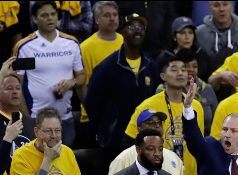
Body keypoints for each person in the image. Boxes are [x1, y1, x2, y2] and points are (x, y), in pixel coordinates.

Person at [84, 13, 161, 154]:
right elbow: (91, 103)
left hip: (145, 138)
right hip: (115, 141)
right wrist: (107, 128)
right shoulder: (107, 67)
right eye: (132, 26)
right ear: (122, 32)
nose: (137, 30)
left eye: (141, 27)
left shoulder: (151, 66)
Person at [125, 55, 205, 175]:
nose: (180, 73)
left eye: (183, 69)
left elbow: (199, 146)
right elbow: (129, 142)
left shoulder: (196, 106)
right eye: (174, 69)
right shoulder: (148, 105)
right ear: (163, 76)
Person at [13, 1, 85, 147]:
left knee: (64, 162)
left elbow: (82, 76)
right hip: (36, 119)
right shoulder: (25, 47)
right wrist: (26, 118)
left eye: (53, 14)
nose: (50, 18)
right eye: (44, 15)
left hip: (65, 118)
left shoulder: (71, 43)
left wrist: (72, 82)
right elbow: (16, 85)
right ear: (34, 19)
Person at [106, 110, 188, 175]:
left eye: (159, 123)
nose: (157, 126)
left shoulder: (174, 158)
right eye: (151, 123)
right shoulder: (122, 159)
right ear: (139, 128)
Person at [78, 1, 122, 143]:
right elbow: (82, 85)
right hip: (93, 118)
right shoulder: (86, 47)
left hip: (122, 115)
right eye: (107, 15)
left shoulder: (125, 42)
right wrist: (93, 113)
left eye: (115, 15)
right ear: (97, 20)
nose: (112, 18)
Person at [195, 0, 238, 75]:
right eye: (216, 5)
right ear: (210, 8)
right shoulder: (199, 33)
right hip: (210, 81)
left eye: (225, 4)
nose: (221, 9)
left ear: (231, 6)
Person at [156, 16, 214, 88]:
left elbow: (208, 79)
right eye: (182, 33)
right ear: (174, 37)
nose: (187, 37)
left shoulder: (201, 54)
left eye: (190, 32)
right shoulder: (165, 57)